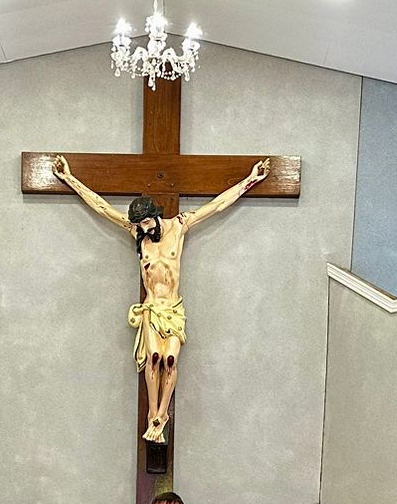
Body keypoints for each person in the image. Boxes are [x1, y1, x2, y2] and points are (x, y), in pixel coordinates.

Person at [53, 153, 270, 443]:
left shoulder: (179, 226)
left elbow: (216, 205)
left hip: (174, 309)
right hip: (152, 309)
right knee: (154, 358)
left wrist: (251, 180)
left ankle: (162, 415)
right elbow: (102, 208)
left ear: (155, 215)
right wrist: (69, 179)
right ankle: (152, 415)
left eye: (146, 223)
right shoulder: (137, 235)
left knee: (169, 361)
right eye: (139, 225)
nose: (144, 230)